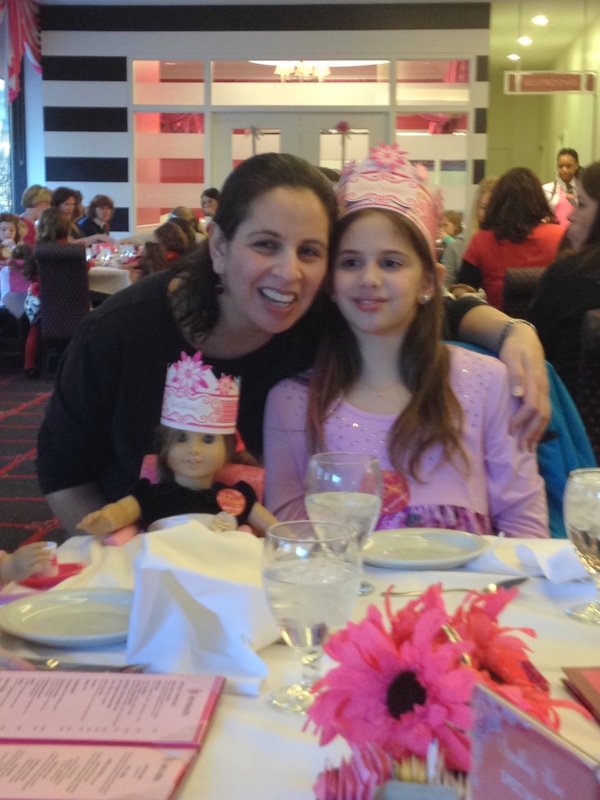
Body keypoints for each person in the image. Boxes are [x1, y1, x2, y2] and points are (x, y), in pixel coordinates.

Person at [37, 152, 550, 537]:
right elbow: (64, 474)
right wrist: (126, 557)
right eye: (266, 244)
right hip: (141, 547)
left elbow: (423, 307)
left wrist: (514, 331)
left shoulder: (316, 313)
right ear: (219, 245)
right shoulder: (122, 330)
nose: (289, 273)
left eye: (310, 251)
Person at [263, 147, 548, 538]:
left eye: (391, 263)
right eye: (350, 262)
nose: (369, 279)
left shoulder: (487, 383)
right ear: (330, 281)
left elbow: (524, 522)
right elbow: (290, 533)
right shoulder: (293, 402)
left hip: (473, 580)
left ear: (429, 281)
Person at [78, 352, 277, 537]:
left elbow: (276, 531)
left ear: (228, 449)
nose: (194, 450)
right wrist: (106, 518)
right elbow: (122, 511)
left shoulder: (236, 498)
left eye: (208, 439)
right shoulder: (151, 496)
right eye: (181, 439)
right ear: (165, 448)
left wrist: (288, 538)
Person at [528, 161, 600, 397]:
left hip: (565, 410)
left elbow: (534, 354)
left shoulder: (567, 277)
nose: (570, 215)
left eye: (581, 205)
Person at [456, 167, 565, 309]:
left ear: (498, 201)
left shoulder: (481, 241)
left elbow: (464, 295)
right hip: (549, 321)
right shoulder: (560, 237)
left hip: (496, 321)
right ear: (539, 200)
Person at [441, 178, 497, 287]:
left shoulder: (511, 246)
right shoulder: (457, 246)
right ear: (476, 209)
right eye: (484, 208)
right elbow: (445, 287)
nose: (490, 214)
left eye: (495, 209)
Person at [50, 187, 114, 248]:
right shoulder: (58, 224)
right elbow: (71, 243)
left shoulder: (73, 223)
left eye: (73, 204)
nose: (71, 208)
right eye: (67, 204)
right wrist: (97, 237)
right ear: (57, 205)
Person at [543, 147, 579, 212]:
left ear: (576, 166)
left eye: (568, 166)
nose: (564, 169)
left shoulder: (584, 190)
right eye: (560, 166)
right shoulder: (546, 190)